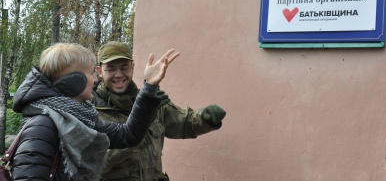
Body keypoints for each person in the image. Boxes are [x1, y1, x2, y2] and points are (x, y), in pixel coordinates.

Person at [11, 42, 180, 181]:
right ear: (74, 81)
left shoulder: (81, 118)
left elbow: (128, 135)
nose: (96, 78)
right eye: (91, 72)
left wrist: (149, 87)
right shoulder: (42, 126)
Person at [92, 41, 226, 181]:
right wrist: (138, 128)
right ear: (100, 71)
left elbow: (184, 123)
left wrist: (205, 118)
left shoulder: (152, 101)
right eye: (111, 69)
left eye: (124, 67)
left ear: (132, 67)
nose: (118, 75)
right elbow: (94, 164)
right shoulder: (89, 111)